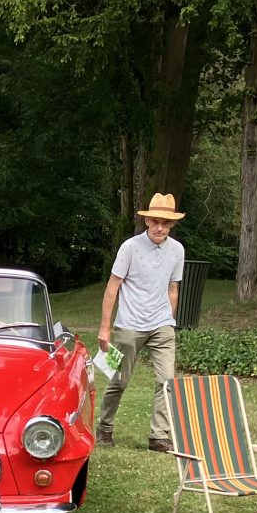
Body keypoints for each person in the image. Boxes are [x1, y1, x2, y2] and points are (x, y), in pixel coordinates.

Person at [96, 192, 186, 452]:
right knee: (118, 380)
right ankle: (104, 427)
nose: (160, 228)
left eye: (166, 223)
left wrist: (169, 320)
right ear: (147, 221)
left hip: (162, 325)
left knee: (167, 381)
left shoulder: (177, 250)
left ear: (172, 225)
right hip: (129, 325)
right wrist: (105, 327)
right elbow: (113, 287)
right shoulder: (130, 247)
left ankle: (159, 436)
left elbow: (173, 288)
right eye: (155, 221)